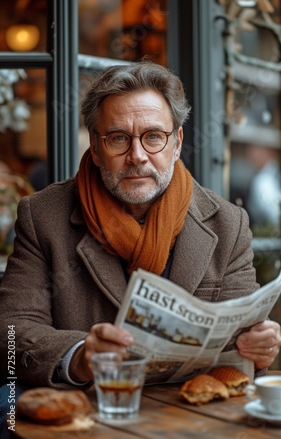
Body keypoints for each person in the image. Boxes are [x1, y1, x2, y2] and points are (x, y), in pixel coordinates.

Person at [0, 62, 280, 433]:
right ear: (96, 148)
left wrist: (258, 347)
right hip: (89, 416)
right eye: (118, 138)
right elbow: (11, 333)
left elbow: (242, 345)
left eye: (153, 137)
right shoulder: (43, 215)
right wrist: (80, 356)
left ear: (177, 143)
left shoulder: (228, 223)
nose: (137, 156)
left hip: (191, 419)